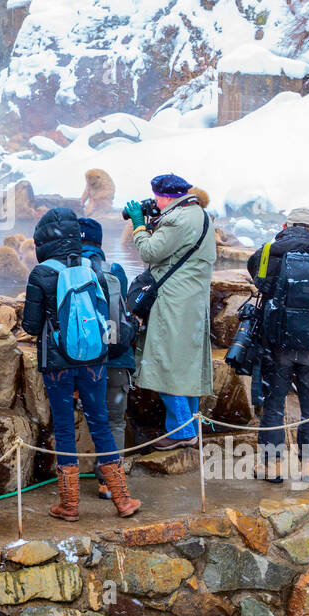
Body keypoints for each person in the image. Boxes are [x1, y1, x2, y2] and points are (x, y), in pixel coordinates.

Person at [22, 207, 141, 520]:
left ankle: (70, 505)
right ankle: (123, 501)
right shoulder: (92, 267)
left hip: (57, 364)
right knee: (100, 423)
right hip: (95, 360)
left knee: (63, 429)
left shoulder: (42, 273)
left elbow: (31, 326)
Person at [247, 207, 309, 482]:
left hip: (277, 341)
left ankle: (272, 466)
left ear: (284, 226)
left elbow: (258, 279)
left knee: (274, 404)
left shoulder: (269, 251)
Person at [124, 173, 215, 451]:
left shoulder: (178, 219)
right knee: (185, 364)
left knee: (167, 363)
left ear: (166, 197)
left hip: (174, 302)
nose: (156, 202)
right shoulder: (198, 214)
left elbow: (150, 252)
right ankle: (189, 426)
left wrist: (139, 224)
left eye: (157, 197)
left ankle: (181, 431)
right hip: (192, 300)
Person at [78, 215, 136, 499]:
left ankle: (68, 483)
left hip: (83, 360)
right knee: (115, 421)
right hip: (116, 356)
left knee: (88, 418)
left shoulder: (71, 271)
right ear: (100, 243)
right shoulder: (116, 270)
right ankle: (109, 484)